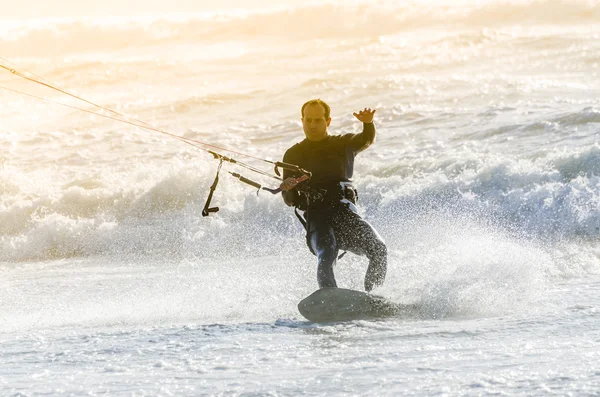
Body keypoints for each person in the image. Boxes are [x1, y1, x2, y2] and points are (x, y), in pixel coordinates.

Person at [280, 99, 387, 292]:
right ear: (302, 120)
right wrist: (288, 188)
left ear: (328, 121)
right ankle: (329, 298)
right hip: (317, 218)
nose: (312, 125)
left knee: (379, 249)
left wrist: (368, 123)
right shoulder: (293, 155)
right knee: (327, 253)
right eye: (308, 120)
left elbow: (365, 140)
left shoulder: (342, 144)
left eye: (318, 120)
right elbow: (290, 201)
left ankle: (374, 296)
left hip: (344, 213)